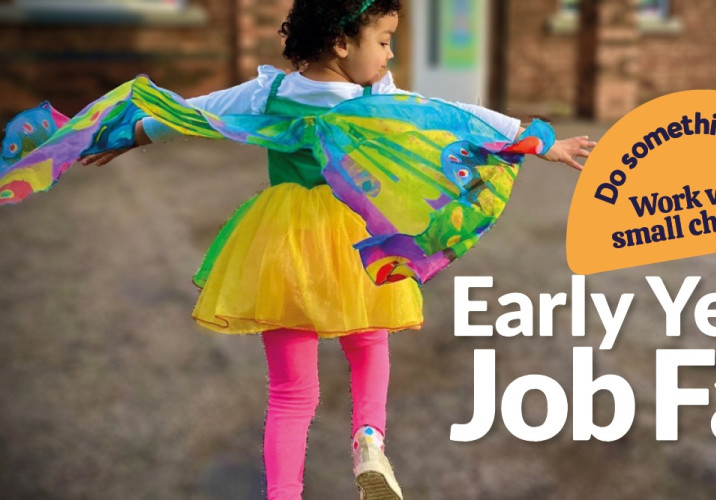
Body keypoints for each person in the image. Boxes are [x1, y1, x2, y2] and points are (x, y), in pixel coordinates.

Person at [71, 1, 595, 498]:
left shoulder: (268, 94)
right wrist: (541, 142)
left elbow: (194, 114)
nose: (391, 54)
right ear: (343, 43)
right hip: (360, 243)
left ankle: (283, 493)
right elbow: (457, 116)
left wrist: (131, 136)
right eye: (385, 41)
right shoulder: (380, 104)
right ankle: (369, 442)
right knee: (369, 346)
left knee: (291, 395)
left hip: (280, 246)